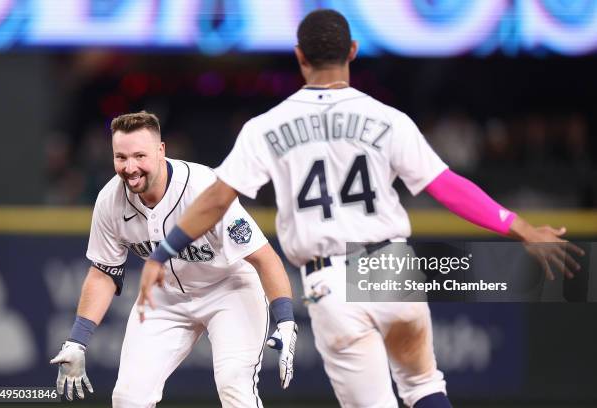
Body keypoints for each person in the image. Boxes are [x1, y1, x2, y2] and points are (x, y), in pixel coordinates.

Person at [138, 9, 581, 408]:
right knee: (424, 385)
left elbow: (216, 199)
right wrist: (518, 226)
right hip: (392, 262)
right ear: (352, 50)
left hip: (332, 277)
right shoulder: (388, 119)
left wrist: (162, 252)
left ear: (299, 56)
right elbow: (447, 187)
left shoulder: (266, 127)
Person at [50, 111, 297, 408]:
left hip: (229, 290)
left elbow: (264, 257)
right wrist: (78, 339)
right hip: (164, 297)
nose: (130, 167)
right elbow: (103, 272)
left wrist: (285, 320)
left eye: (139, 155)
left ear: (161, 151)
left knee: (235, 387)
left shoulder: (203, 187)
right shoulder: (109, 200)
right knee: (128, 398)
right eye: (121, 157)